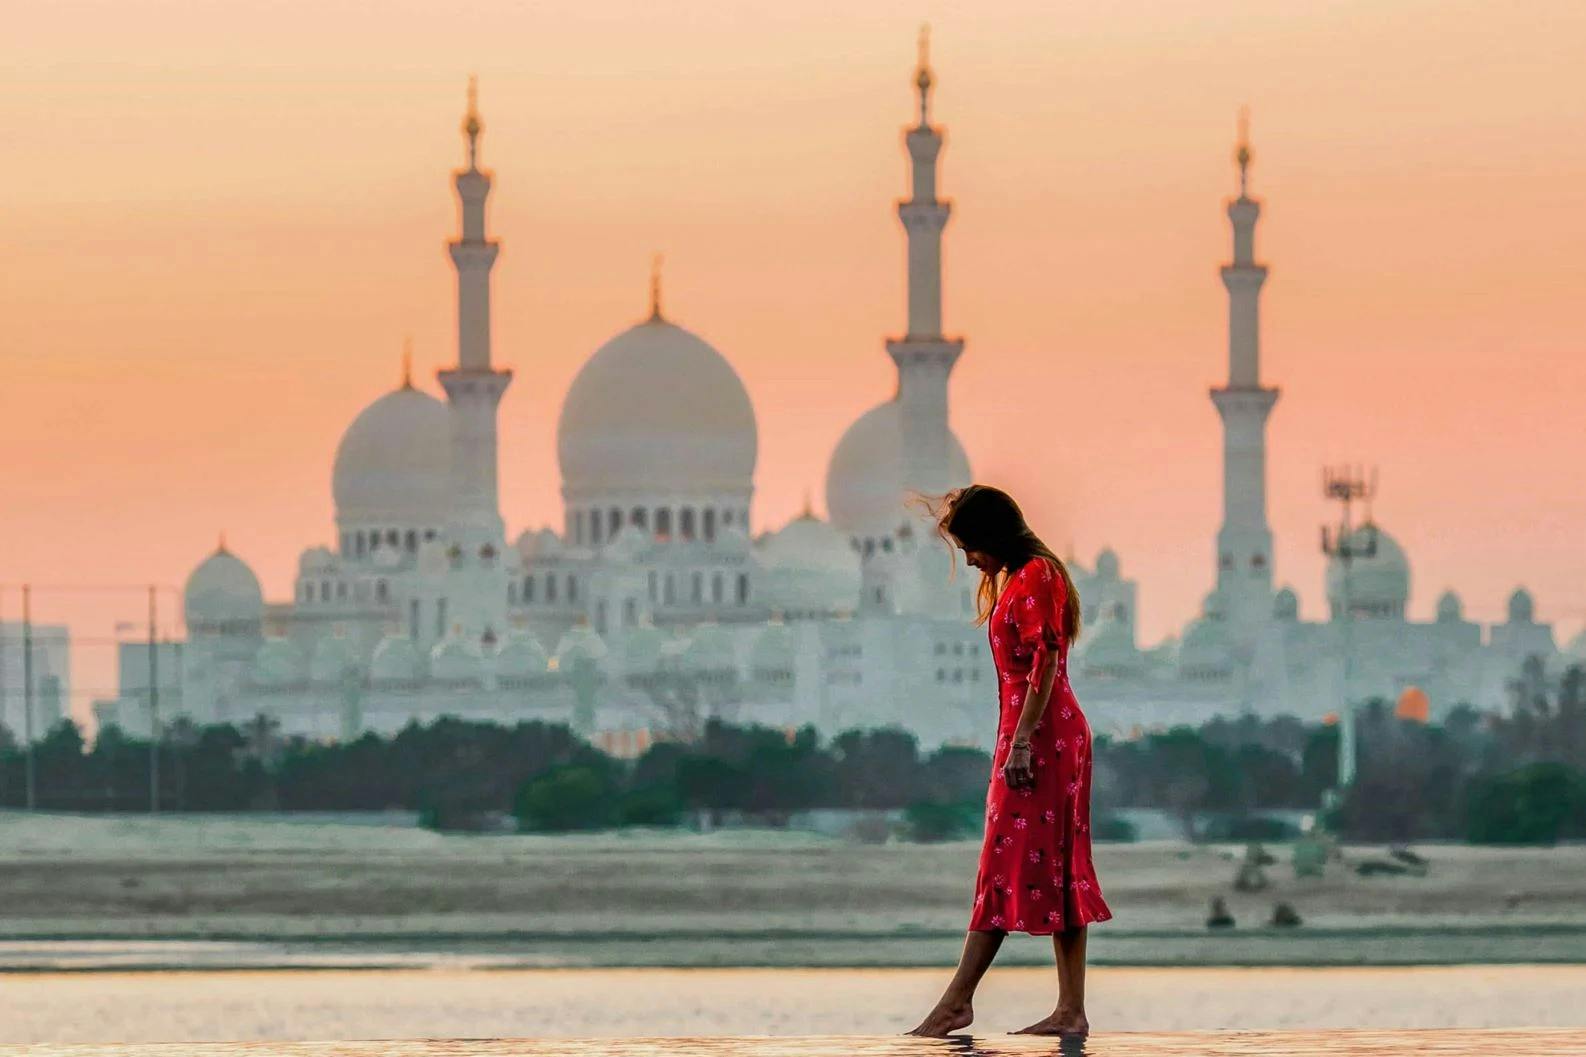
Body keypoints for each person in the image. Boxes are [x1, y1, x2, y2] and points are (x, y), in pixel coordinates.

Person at [907, 484, 1112, 1038]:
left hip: (1041, 738)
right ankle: (1068, 1009)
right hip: (1032, 734)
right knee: (1035, 865)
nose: (970, 559)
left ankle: (956, 1001)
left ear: (993, 535)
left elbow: (1045, 659)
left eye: (971, 546)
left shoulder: (1037, 575)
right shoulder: (1023, 579)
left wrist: (1021, 742)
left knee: (1007, 864)